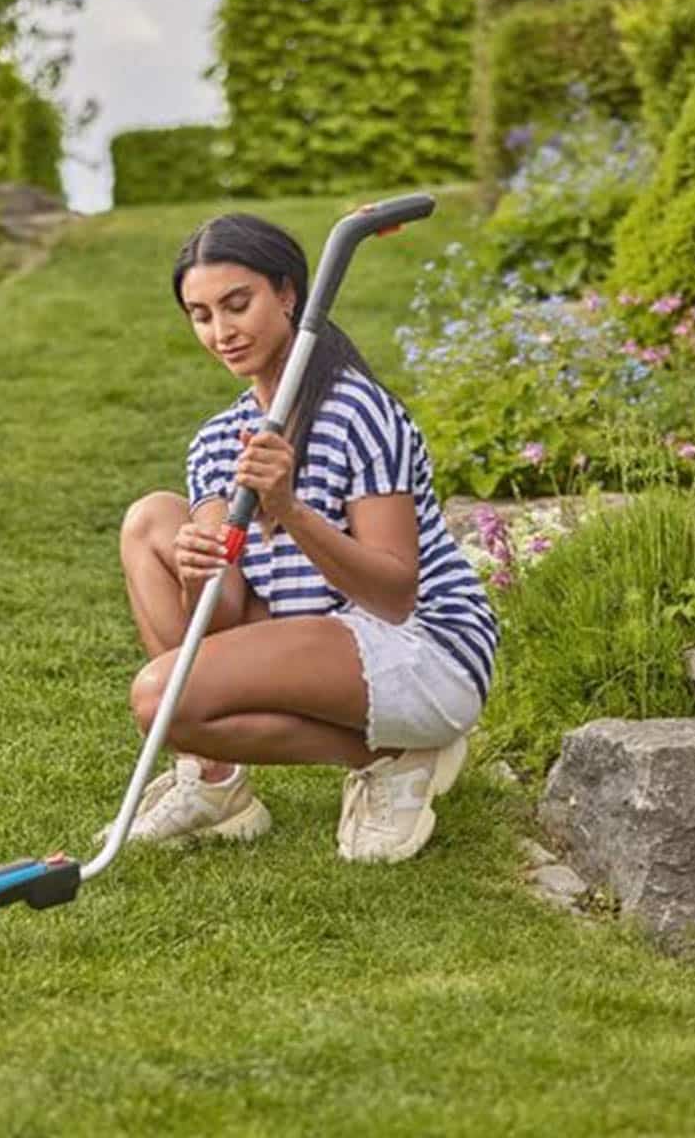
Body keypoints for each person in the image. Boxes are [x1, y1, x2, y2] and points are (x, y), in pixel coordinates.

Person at [113, 212, 498, 863]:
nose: (222, 332)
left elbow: (394, 594)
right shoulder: (216, 441)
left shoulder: (358, 411)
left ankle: (395, 753)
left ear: (288, 293)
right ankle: (214, 781)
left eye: (238, 304)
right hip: (316, 637)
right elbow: (222, 616)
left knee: (158, 692)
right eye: (201, 315)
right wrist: (194, 568)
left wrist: (289, 509)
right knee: (151, 520)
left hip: (422, 648)